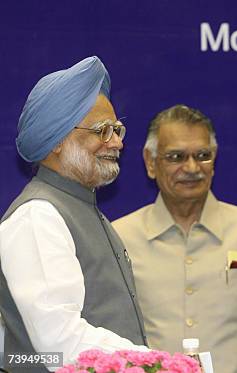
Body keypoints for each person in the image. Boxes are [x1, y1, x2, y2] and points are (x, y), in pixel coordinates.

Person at [113, 104, 237, 373]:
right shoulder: (120, 237)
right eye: (176, 157)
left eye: (203, 155)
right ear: (150, 162)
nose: (192, 167)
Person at [0, 57, 148, 373]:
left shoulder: (82, 210)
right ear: (56, 141)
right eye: (102, 131)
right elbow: (59, 344)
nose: (118, 142)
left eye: (117, 129)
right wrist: (154, 364)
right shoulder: (38, 217)